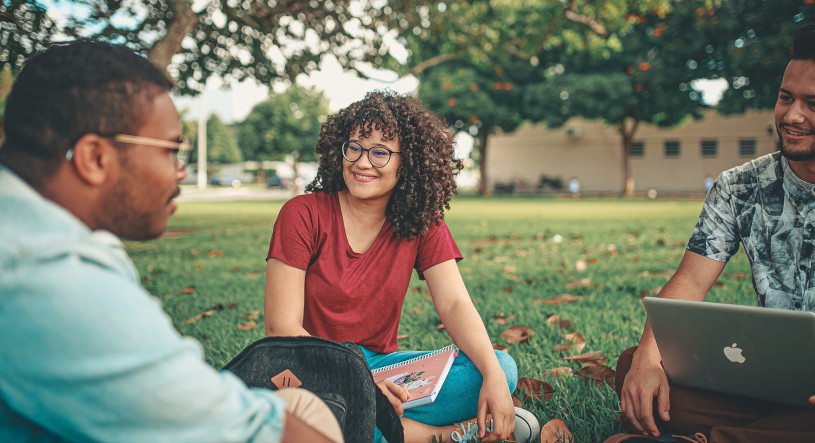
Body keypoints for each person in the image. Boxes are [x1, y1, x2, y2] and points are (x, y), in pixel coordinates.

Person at [0, 41, 341, 443]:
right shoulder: (50, 277)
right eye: (170, 151)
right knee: (310, 416)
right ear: (95, 158)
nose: (180, 171)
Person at [264, 91, 538, 443]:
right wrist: (361, 386)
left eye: (380, 152)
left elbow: (453, 303)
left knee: (500, 366)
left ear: (406, 162)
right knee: (314, 415)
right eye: (355, 147)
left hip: (381, 368)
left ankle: (372, 427)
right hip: (310, 369)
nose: (363, 163)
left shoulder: (421, 222)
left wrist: (493, 378)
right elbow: (281, 328)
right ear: (339, 150)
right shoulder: (302, 214)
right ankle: (445, 435)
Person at [610, 24, 815, 443]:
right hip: (771, 383)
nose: (792, 116)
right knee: (636, 369)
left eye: (812, 103)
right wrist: (650, 358)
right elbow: (689, 280)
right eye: (785, 97)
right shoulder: (741, 186)